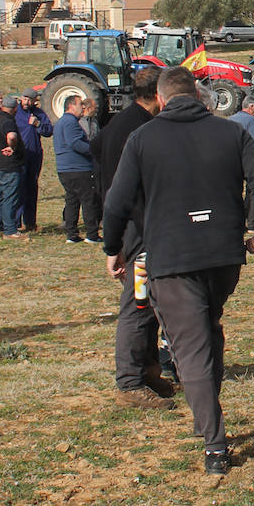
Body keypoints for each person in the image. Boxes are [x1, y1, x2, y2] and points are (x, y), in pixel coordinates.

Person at [102, 67, 254, 476]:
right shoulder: (231, 133)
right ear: (202, 99)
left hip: (172, 259)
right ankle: (210, 415)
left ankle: (215, 446)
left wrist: (113, 249)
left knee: (193, 348)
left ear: (162, 101)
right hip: (223, 256)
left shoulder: (142, 138)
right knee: (208, 328)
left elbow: (117, 204)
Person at [91, 66, 176, 409]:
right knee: (138, 304)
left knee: (150, 304)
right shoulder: (143, 129)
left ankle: (148, 369)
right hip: (137, 229)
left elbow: (95, 149)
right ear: (159, 95)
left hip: (130, 225)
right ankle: (129, 382)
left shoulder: (118, 123)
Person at [53, 95, 100, 243]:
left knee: (72, 201)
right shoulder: (70, 123)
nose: (83, 108)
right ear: (72, 106)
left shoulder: (61, 122)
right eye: (80, 104)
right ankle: (92, 234)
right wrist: (94, 149)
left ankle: (72, 234)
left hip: (65, 168)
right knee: (88, 200)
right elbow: (75, 143)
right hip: (78, 168)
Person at [13, 88, 53, 232]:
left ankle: (30, 222)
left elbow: (49, 131)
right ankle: (16, 223)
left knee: (32, 187)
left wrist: (38, 125)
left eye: (30, 100)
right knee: (18, 187)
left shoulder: (39, 113)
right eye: (24, 99)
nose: (26, 102)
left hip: (35, 154)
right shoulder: (15, 112)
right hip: (19, 155)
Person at [0, 94, 26, 239]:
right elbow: (11, 136)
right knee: (10, 197)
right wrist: (12, 147)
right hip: (9, 165)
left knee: (0, 196)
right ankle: (10, 230)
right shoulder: (8, 121)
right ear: (14, 108)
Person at [227, 97, 254, 232]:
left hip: (232, 161)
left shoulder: (231, 118)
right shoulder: (251, 120)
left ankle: (237, 223)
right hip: (248, 162)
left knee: (235, 192)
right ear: (251, 107)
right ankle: (252, 222)